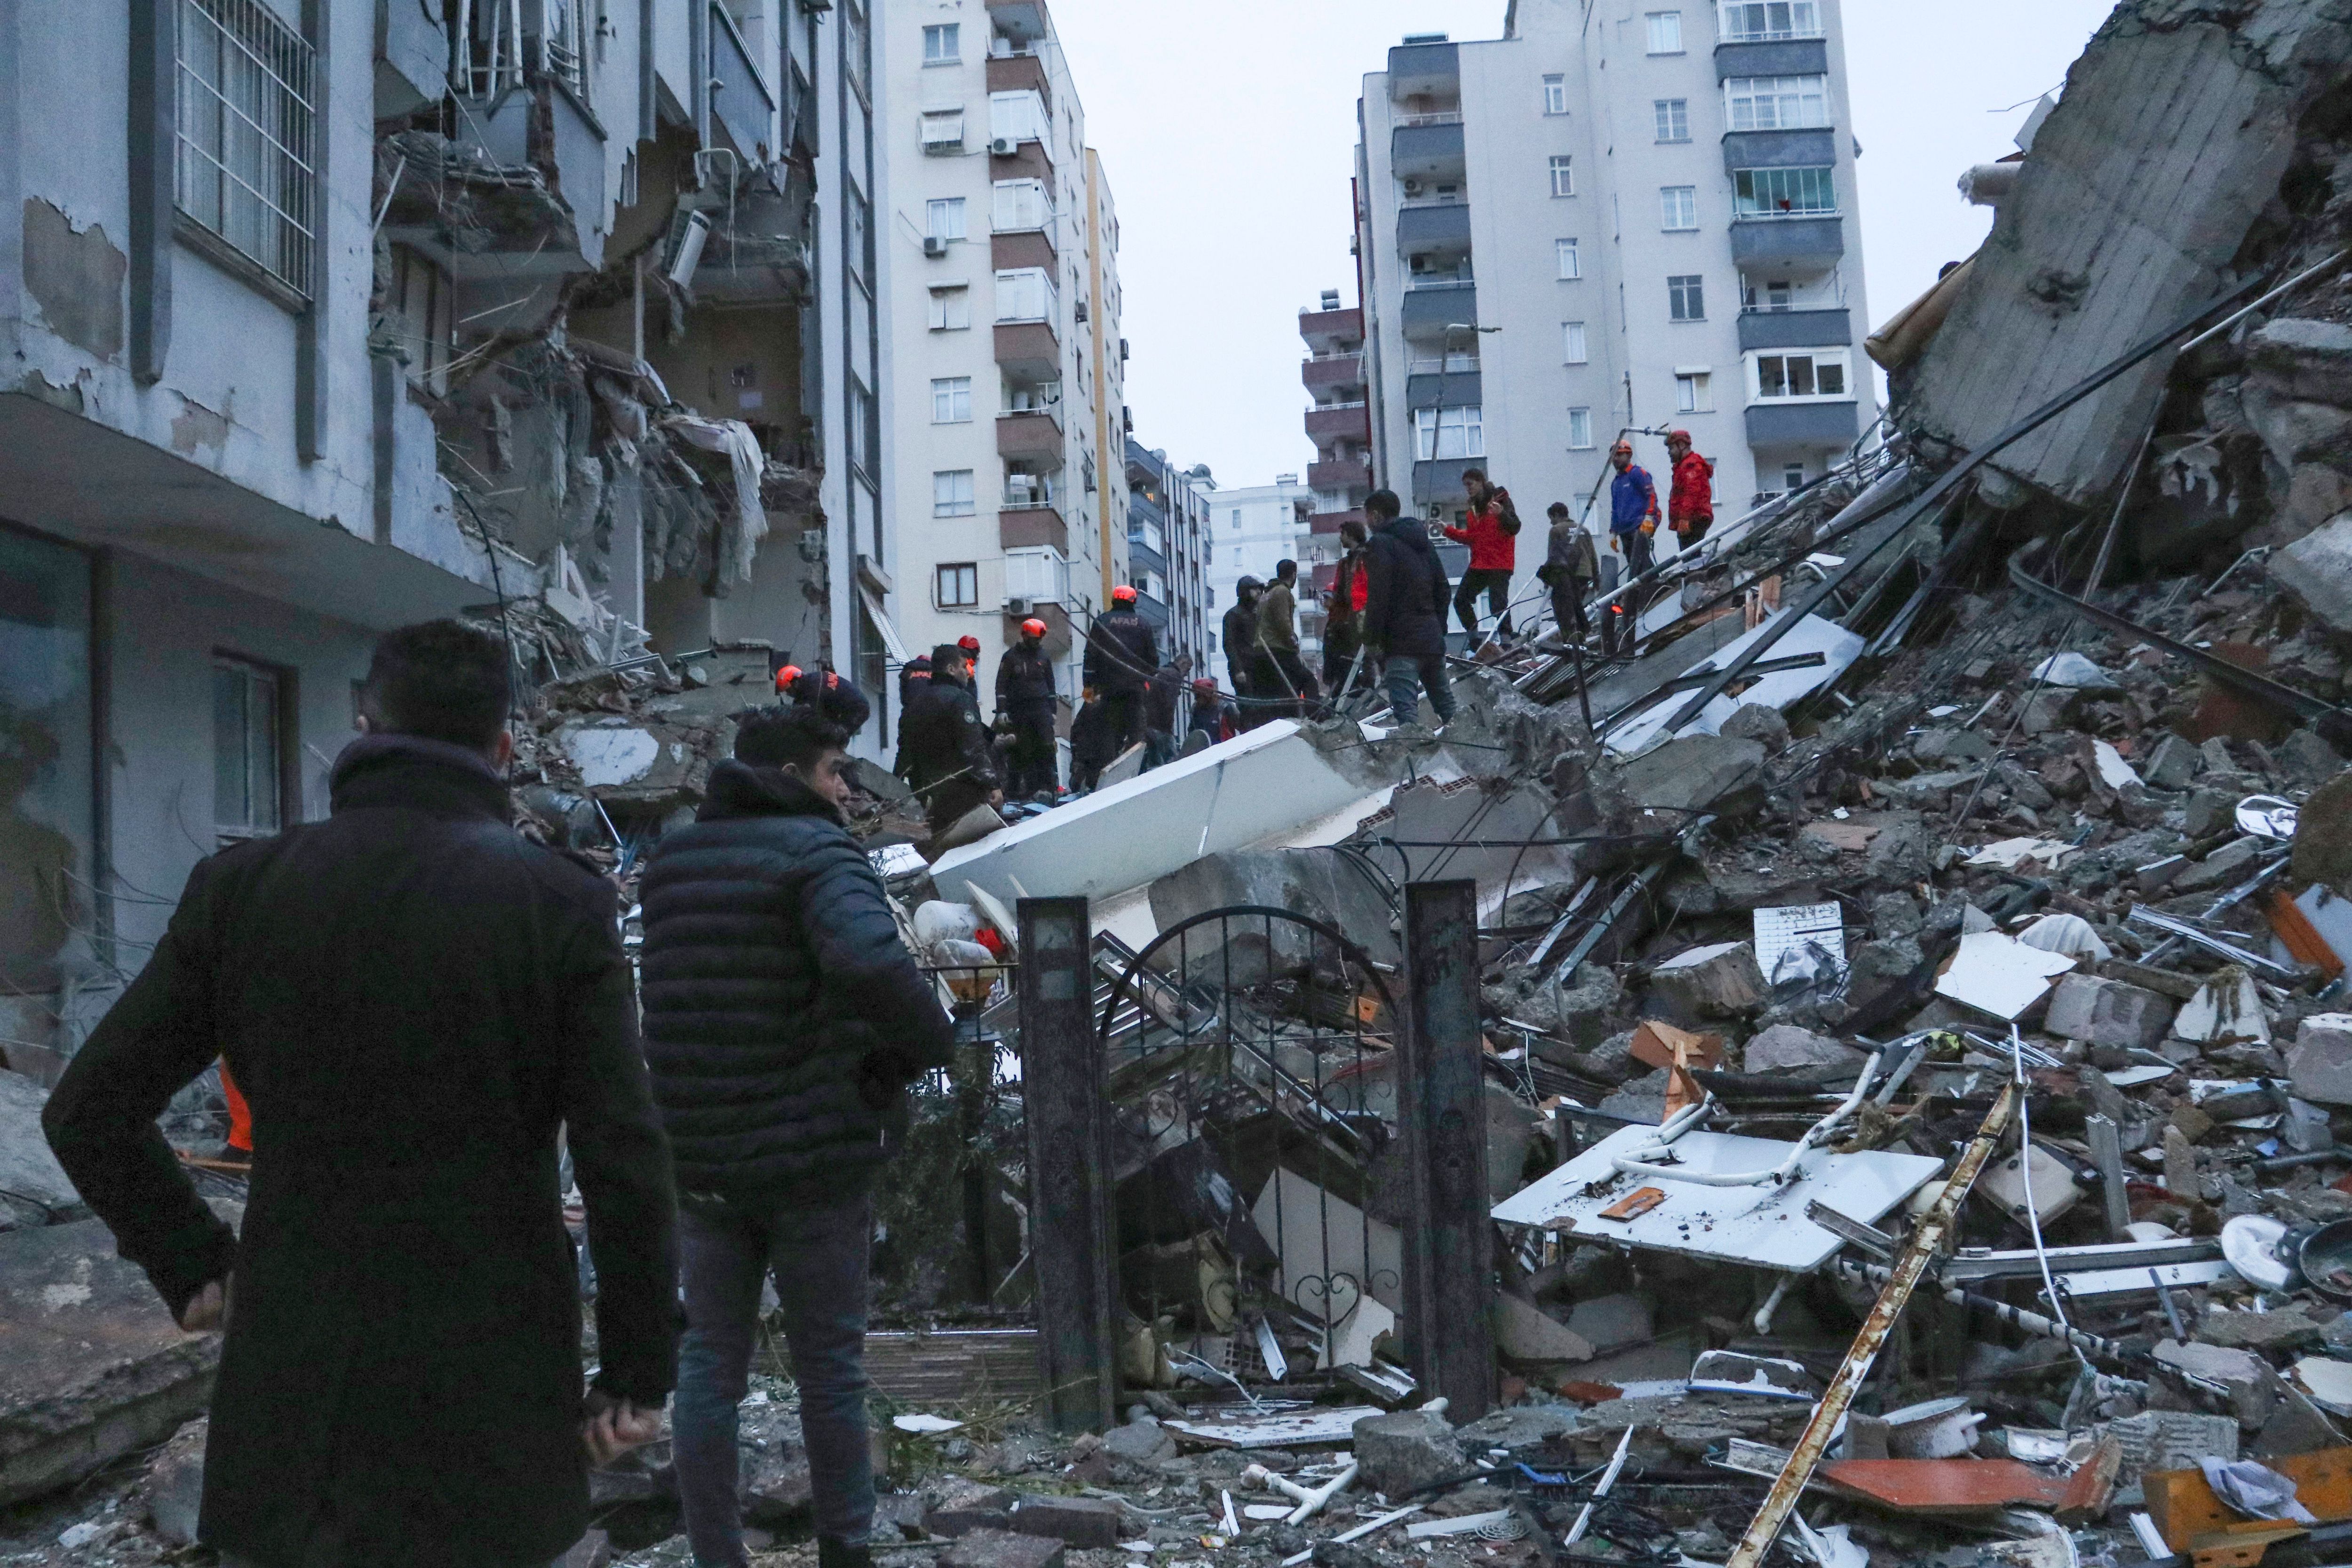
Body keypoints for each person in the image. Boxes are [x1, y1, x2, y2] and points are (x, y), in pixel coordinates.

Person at [42, 619, 679, 1568]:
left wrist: (193, 1263)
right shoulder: (559, 903)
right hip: (491, 1384)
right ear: (503, 749)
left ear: (362, 725)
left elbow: (87, 1107)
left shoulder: (242, 889)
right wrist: (634, 1372)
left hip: (299, 1384)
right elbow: (621, 1154)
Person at [640, 675, 956, 1568]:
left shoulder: (672, 863)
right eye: (834, 771)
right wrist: (933, 1039)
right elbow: (866, 959)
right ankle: (845, 1550)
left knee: (710, 1364)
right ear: (790, 773)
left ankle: (715, 1553)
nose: (846, 790)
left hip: (701, 1158)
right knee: (829, 1367)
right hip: (813, 1157)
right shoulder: (819, 854)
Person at [1360, 488, 1456, 727]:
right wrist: (1438, 626)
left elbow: (1379, 596)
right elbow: (1443, 589)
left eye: (1368, 516)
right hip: (1431, 639)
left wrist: (1372, 639)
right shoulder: (1423, 542)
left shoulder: (1380, 544)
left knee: (1407, 717)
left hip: (1401, 643)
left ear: (1376, 515)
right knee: (1450, 710)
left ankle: (1416, 760)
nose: (1368, 523)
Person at [898, 642, 1002, 836]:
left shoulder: (914, 705)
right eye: (964, 667)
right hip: (961, 794)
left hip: (926, 794)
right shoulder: (960, 700)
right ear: (951, 669)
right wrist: (992, 784)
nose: (968, 672)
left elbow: (904, 753)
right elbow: (973, 749)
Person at [1442, 468, 1521, 640]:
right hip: (1480, 563)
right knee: (1460, 600)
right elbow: (1473, 538)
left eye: (1470, 484)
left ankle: (1506, 640)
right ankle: (1475, 640)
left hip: (1499, 563)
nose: (1468, 489)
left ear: (1481, 482)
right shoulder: (1473, 511)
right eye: (1465, 486)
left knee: (1497, 604)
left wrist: (1501, 514)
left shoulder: (1501, 500)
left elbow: (1515, 527)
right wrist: (1448, 531)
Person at [1083, 585, 1159, 756]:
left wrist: (1089, 684)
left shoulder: (1102, 622)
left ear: (1114, 600)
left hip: (1108, 690)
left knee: (1109, 733)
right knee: (1136, 734)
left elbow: (1091, 655)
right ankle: (1136, 770)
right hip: (1135, 690)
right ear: (1134, 601)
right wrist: (1144, 680)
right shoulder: (1143, 624)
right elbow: (1153, 660)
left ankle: (1110, 768)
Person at [1605, 441, 1661, 654]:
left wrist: (1649, 517)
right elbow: (1615, 509)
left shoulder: (1638, 474)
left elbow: (1652, 497)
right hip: (1626, 529)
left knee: (1641, 560)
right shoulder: (1616, 483)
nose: (1616, 461)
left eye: (1619, 456)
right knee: (1633, 562)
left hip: (1641, 524)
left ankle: (1653, 585)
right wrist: (1613, 531)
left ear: (1627, 455)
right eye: (1614, 457)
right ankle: (1645, 586)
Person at [994, 619, 1059, 799]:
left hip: (1041, 709)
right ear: (1024, 636)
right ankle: (1017, 792)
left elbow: (1051, 685)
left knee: (1045, 748)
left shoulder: (1044, 657)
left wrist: (1052, 711)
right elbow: (1001, 685)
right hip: (1019, 710)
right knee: (1020, 750)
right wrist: (1002, 711)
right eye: (1034, 639)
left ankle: (1048, 788)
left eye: (1039, 640)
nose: (1037, 643)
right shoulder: (1010, 658)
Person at [1254, 559, 1322, 720]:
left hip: (1262, 650)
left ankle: (1290, 718)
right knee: (1308, 680)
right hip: (1278, 649)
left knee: (1285, 688)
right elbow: (1283, 623)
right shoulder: (1282, 592)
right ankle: (1316, 716)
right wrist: (1293, 642)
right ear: (1293, 575)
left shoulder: (1266, 594)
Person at [1321, 521, 1371, 695]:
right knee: (1362, 656)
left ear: (1350, 534)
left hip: (1365, 610)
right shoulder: (1347, 562)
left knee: (1371, 653)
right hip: (1354, 613)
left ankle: (1372, 688)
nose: (1340, 538)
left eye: (1342, 534)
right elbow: (1341, 592)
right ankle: (1367, 689)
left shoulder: (1368, 557)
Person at [1540, 501, 1599, 645]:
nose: (1551, 522)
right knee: (1578, 605)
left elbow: (1553, 557)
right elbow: (1593, 555)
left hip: (1567, 575)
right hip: (1585, 574)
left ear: (1557, 515)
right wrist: (1597, 578)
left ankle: (1573, 637)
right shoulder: (1583, 529)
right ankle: (1580, 633)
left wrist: (1548, 581)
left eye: (1551, 518)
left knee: (1566, 608)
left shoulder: (1556, 530)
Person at [1221, 576, 1264, 719]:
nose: (1259, 592)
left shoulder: (1257, 615)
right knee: (1249, 708)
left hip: (1258, 667)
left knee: (1262, 707)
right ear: (1245, 591)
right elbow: (1229, 644)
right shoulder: (1233, 615)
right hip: (1244, 669)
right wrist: (1238, 669)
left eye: (1260, 589)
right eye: (1254, 589)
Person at [1665, 430, 1716, 549]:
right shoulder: (1684, 466)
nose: (1669, 453)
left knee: (1690, 557)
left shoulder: (1691, 465)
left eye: (1671, 448)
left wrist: (1684, 518)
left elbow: (1691, 493)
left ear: (1682, 445)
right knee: (1689, 555)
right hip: (1692, 518)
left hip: (1694, 518)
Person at [1143, 653, 1192, 771]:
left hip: (1147, 724)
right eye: (1188, 669)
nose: (1187, 674)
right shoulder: (1175, 676)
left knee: (1154, 764)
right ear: (1183, 664)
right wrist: (1169, 728)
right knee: (1173, 765)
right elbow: (1170, 704)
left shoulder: (1160, 671)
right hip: (1162, 727)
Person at [1068, 686, 1117, 792]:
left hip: (1090, 759)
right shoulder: (1107, 708)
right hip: (1098, 759)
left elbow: (1075, 733)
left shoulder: (1086, 710)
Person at [1189, 677, 1240, 747]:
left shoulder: (1225, 707)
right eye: (1195, 695)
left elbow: (1241, 725)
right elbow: (1192, 733)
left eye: (1198, 695)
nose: (1196, 699)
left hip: (1225, 749)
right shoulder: (1195, 710)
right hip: (1203, 751)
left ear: (1207, 695)